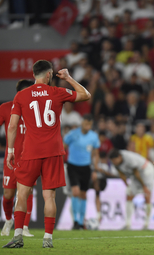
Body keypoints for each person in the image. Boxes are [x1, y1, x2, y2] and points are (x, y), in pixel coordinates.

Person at [3, 60, 91, 248]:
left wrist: (10, 151)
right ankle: (47, 239)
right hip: (53, 152)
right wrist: (68, 78)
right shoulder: (56, 92)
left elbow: (11, 126)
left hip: (30, 152)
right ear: (49, 74)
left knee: (22, 194)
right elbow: (86, 95)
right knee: (49, 197)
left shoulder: (21, 95)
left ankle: (18, 236)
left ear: (34, 74)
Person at [1, 80, 35, 238]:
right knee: (8, 195)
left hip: (29, 158)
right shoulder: (6, 108)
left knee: (27, 193)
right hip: (11, 159)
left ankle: (25, 227)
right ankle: (8, 221)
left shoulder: (36, 109)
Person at [63, 114, 100, 230]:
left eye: (89, 124)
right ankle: (75, 221)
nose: (87, 125)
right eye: (85, 123)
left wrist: (94, 169)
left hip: (86, 167)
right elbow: (63, 146)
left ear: (91, 125)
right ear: (82, 123)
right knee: (75, 192)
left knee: (83, 194)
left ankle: (81, 221)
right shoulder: (73, 134)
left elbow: (96, 153)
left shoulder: (93, 137)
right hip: (72, 166)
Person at [109, 149, 154, 230]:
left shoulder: (129, 158)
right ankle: (127, 224)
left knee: (147, 196)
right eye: (112, 161)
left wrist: (144, 186)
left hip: (146, 171)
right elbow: (122, 175)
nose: (114, 162)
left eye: (115, 160)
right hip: (134, 175)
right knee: (129, 195)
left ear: (119, 157)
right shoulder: (115, 163)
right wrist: (127, 186)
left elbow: (137, 173)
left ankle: (146, 224)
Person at [91, 151, 118, 222]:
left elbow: (114, 174)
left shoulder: (108, 165)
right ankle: (98, 215)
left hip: (103, 183)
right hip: (95, 183)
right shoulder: (95, 164)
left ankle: (99, 215)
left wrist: (102, 171)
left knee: (97, 194)